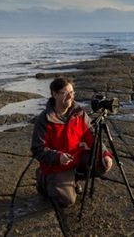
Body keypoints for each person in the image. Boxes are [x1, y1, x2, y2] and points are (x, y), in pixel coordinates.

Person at [31, 77, 113, 207]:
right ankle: (44, 181)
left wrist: (104, 154)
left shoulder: (79, 112)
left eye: (72, 92)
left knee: (102, 164)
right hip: (56, 165)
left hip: (75, 158)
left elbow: (92, 136)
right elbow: (37, 149)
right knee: (67, 201)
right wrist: (58, 157)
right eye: (65, 93)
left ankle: (71, 179)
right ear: (54, 94)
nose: (70, 96)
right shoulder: (44, 120)